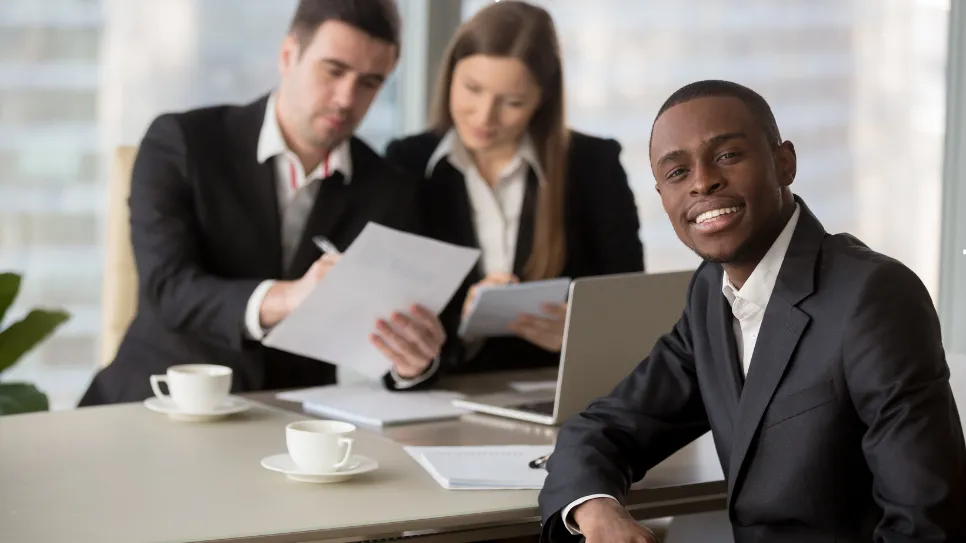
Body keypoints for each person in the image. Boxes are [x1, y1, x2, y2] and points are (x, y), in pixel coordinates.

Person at [538, 80, 966, 542]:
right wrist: (597, 508)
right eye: (678, 172)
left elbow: (926, 525)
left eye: (726, 156)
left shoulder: (873, 297)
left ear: (785, 163)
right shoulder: (710, 292)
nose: (702, 181)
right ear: (662, 197)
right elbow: (604, 428)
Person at [79, 0, 446, 406]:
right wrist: (289, 297)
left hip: (290, 425)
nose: (347, 98)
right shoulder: (183, 142)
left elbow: (389, 333)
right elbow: (169, 288)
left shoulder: (389, 189)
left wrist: (411, 364)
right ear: (288, 55)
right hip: (155, 402)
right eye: (334, 71)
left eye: (370, 82)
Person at [385, 1, 644, 377]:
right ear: (450, 75)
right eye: (472, 89)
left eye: (512, 102)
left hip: (557, 393)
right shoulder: (408, 163)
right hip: (443, 394)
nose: (484, 116)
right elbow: (393, 312)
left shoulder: (593, 165)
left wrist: (579, 335)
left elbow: (630, 303)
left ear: (543, 99)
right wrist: (463, 323)